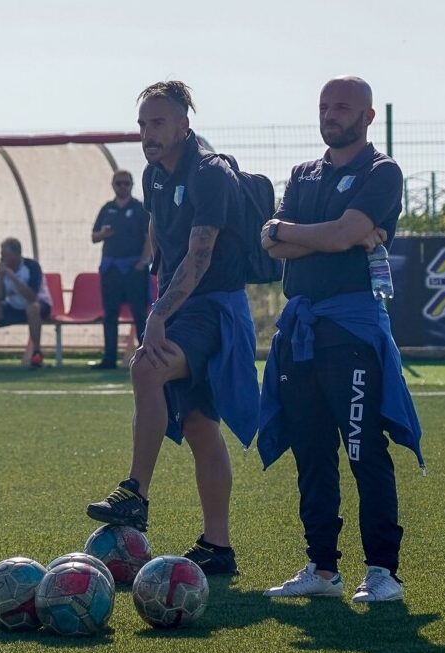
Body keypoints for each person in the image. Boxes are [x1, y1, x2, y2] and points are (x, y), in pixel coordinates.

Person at [256, 76, 422, 603]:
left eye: (343, 107)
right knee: (310, 452)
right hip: (301, 333)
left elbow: (339, 235)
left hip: (351, 331)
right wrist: (323, 235)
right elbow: (271, 243)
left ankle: (382, 572)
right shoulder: (304, 173)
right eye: (325, 106)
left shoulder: (382, 171)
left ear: (368, 116)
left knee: (362, 448)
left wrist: (301, 232)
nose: (331, 114)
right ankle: (321, 569)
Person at [86, 81, 259, 575]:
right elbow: (164, 241)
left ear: (185, 124)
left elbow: (201, 255)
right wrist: (159, 306)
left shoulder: (209, 173)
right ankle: (218, 548)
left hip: (215, 308)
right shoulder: (152, 175)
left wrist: (158, 313)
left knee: (146, 369)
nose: (148, 134)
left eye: (158, 123)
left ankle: (135, 493)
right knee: (203, 427)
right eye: (142, 125)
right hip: (183, 307)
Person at [89, 170, 152, 369]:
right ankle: (109, 359)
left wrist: (143, 262)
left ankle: (145, 357)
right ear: (113, 185)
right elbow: (94, 237)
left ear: (132, 185)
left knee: (140, 314)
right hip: (111, 269)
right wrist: (103, 233)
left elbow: (149, 237)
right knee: (110, 315)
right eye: (119, 183)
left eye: (126, 183)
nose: (122, 186)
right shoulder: (107, 209)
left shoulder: (140, 208)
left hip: (134, 269)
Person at [0, 237, 52, 369]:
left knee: (32, 308)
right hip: (13, 306)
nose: (2, 258)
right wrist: (0, 278)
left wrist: (12, 276)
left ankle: (36, 353)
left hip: (38, 306)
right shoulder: (2, 270)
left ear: (16, 254)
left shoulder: (32, 267)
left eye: (5, 255)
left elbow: (31, 297)